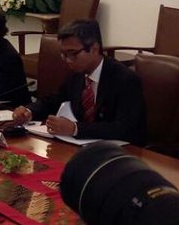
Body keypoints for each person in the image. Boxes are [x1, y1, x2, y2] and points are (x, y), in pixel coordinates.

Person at [12, 20, 147, 145]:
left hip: (120, 152)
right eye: (63, 54)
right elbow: (54, 100)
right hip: (84, 147)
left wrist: (75, 128)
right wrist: (29, 111)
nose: (68, 60)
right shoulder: (76, 73)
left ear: (94, 49)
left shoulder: (125, 79)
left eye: (73, 53)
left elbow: (124, 128)